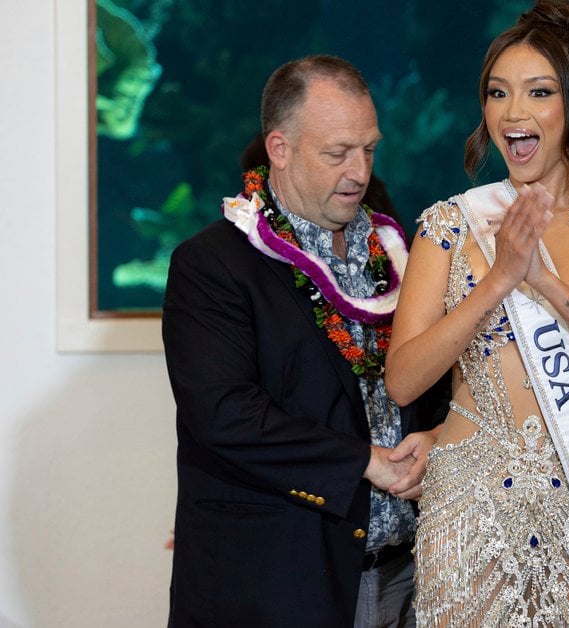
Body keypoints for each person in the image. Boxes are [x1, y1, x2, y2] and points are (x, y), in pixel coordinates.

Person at [384, 1, 569, 625]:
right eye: (498, 94)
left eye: (538, 93)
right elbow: (404, 378)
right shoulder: (450, 225)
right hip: (469, 498)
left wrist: (545, 284)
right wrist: (498, 280)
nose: (513, 113)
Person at [163, 54, 448, 627]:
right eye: (337, 153)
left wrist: (438, 435)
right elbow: (223, 415)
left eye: (369, 149)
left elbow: (435, 377)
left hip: (411, 575)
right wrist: (366, 462)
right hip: (281, 585)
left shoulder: (402, 254)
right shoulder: (212, 265)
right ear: (280, 149)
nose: (360, 172)